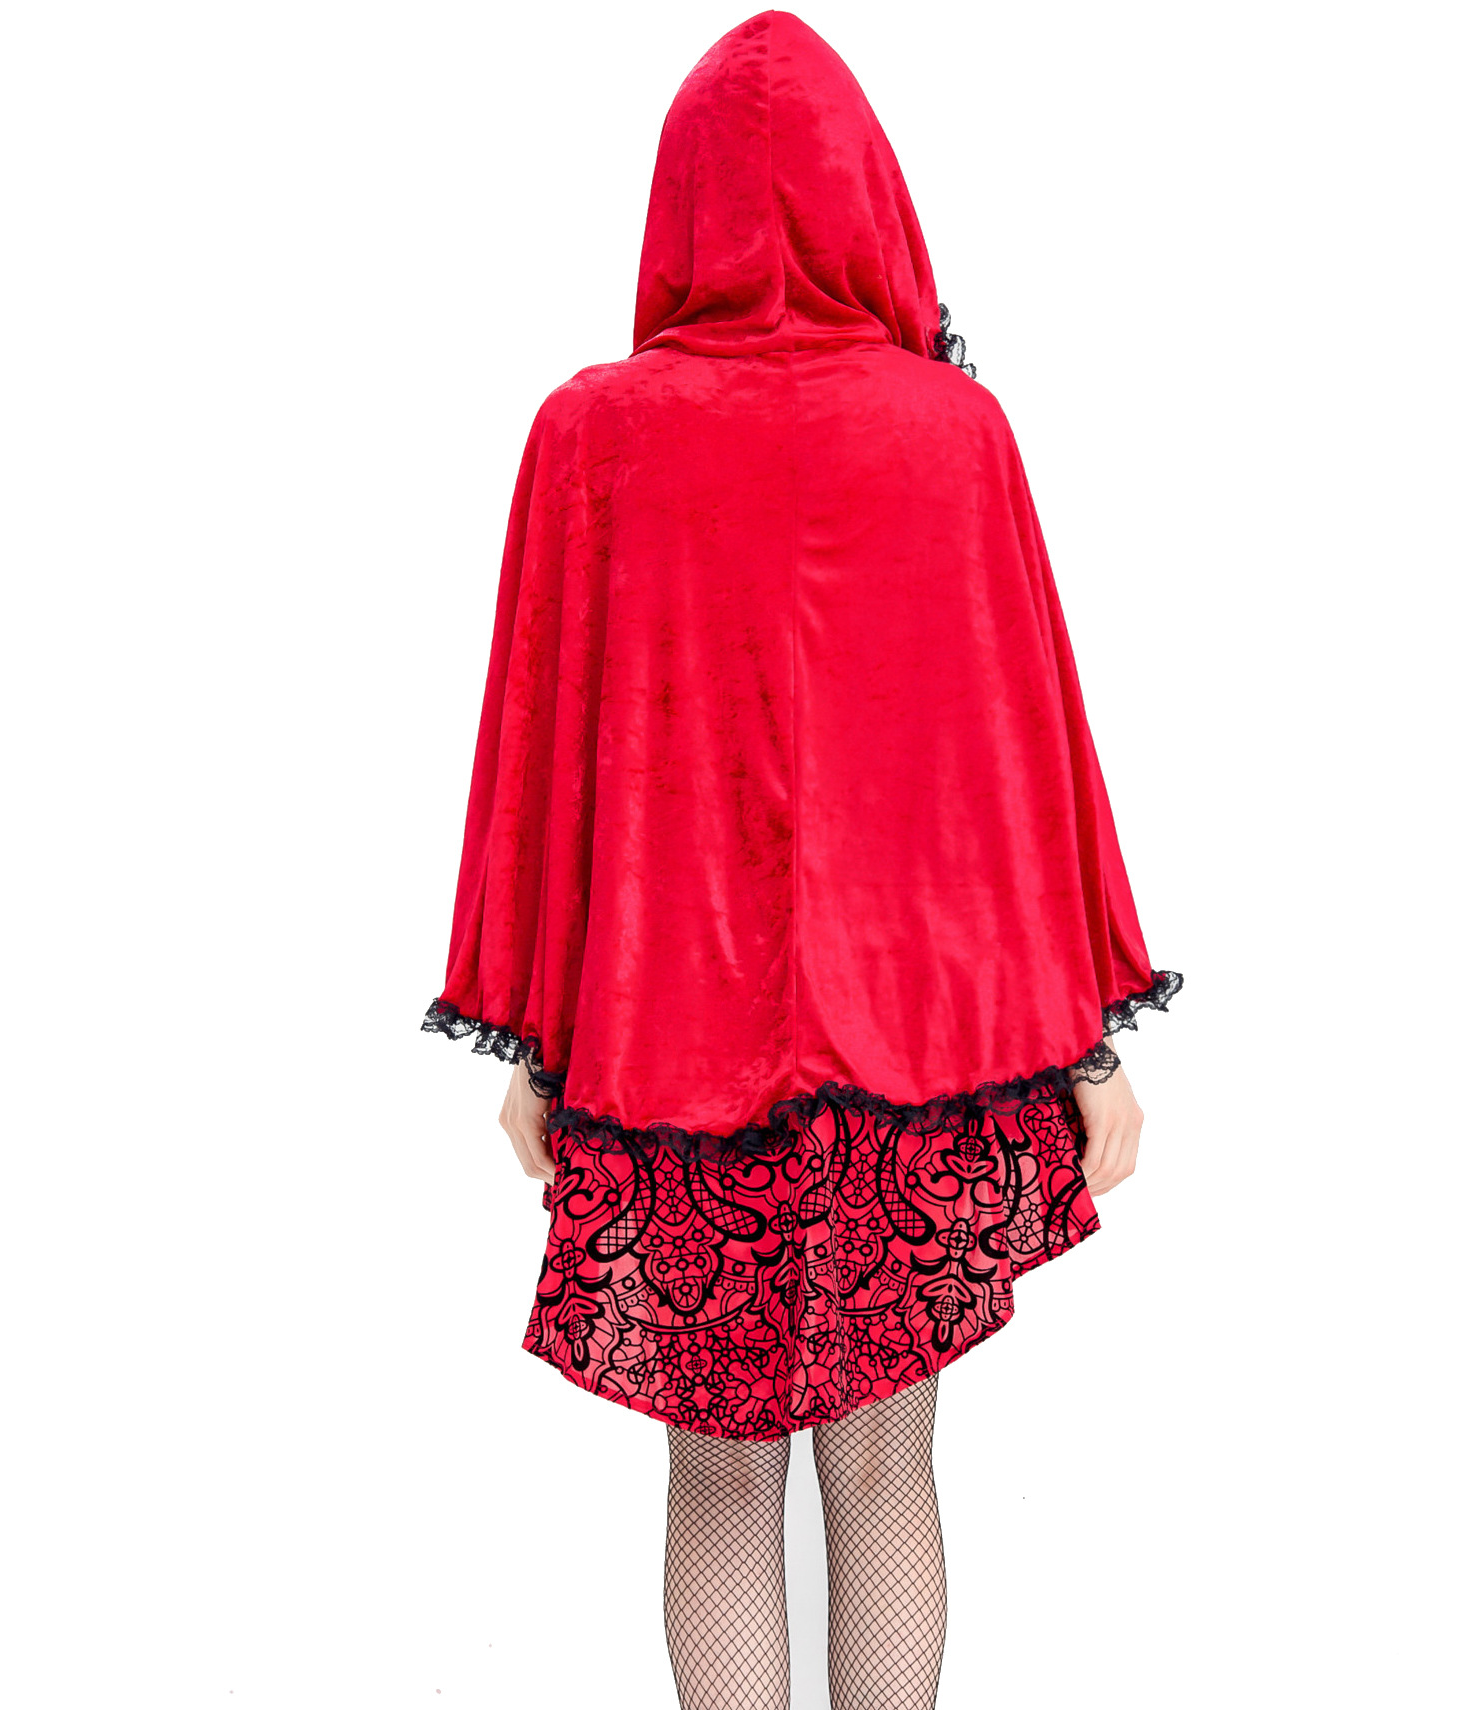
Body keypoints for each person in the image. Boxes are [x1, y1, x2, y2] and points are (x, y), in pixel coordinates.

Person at [422, 12, 1180, 1707]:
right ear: (868, 196)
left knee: (713, 1478)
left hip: (666, 1051)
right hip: (914, 1049)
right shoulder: (949, 434)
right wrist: (1084, 1045)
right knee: (888, 1466)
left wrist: (536, 1039)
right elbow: (1016, 764)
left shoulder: (590, 434)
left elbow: (537, 763)